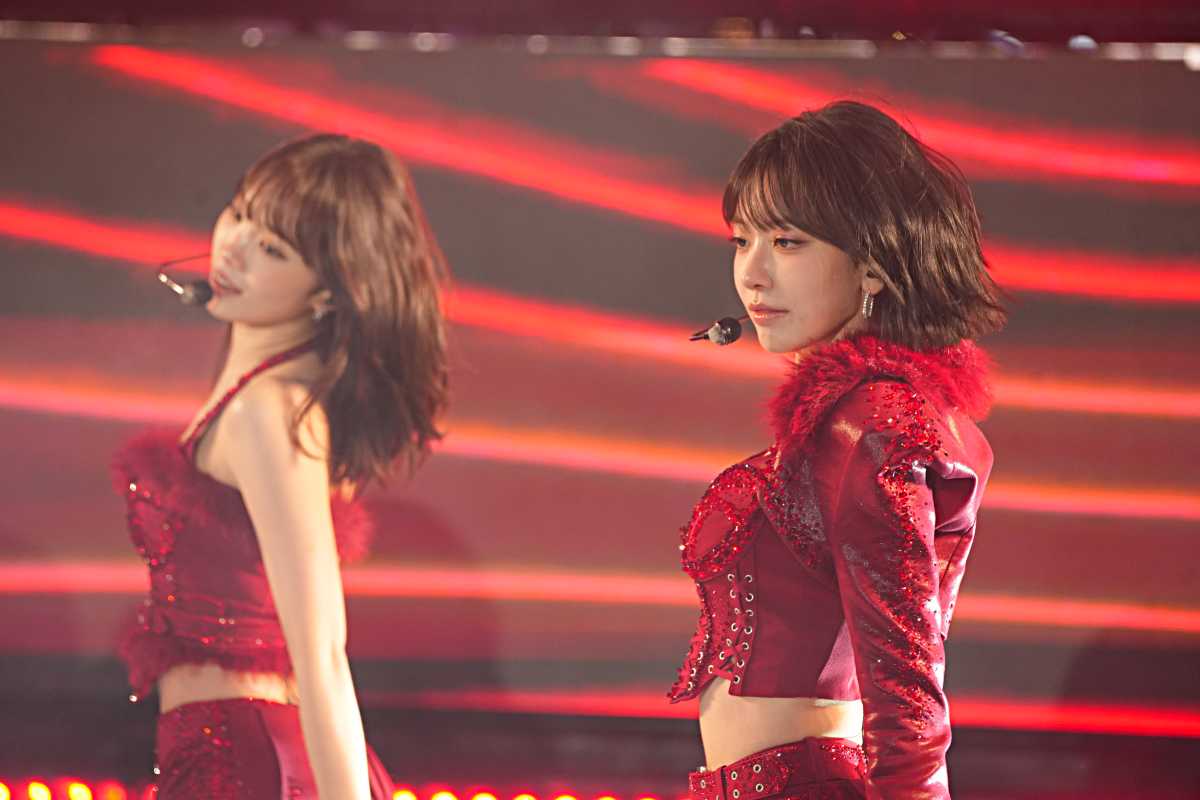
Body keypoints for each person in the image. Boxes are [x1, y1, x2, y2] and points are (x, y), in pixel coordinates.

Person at [669, 101, 1007, 799]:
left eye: (787, 242)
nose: (752, 275)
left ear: (873, 265)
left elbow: (907, 691)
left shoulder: (875, 422)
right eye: (741, 241)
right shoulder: (872, 415)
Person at [113, 133, 449, 798]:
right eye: (240, 213)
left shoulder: (270, 411)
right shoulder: (266, 392)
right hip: (222, 756)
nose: (234, 248)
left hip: (251, 765)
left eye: (273, 249)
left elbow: (321, 652)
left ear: (328, 290)